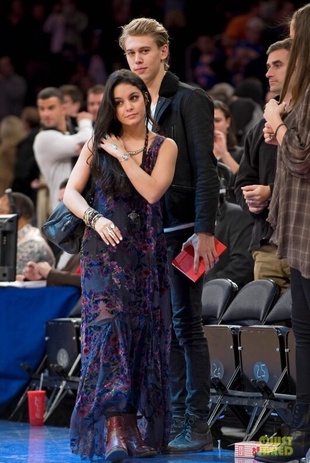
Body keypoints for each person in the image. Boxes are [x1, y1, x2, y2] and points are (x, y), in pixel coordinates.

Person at [63, 69, 178, 461]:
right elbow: (71, 195)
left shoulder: (164, 145)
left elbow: (151, 191)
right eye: (118, 101)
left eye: (134, 98)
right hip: (101, 252)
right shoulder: (98, 142)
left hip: (145, 254)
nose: (127, 107)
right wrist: (95, 218)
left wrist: (124, 155)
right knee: (107, 335)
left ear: (145, 99)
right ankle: (114, 427)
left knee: (141, 335)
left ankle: (132, 428)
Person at [119, 17, 220, 454]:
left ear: (164, 51)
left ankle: (195, 424)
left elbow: (205, 170)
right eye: (131, 53)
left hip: (183, 231)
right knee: (162, 329)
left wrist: (204, 230)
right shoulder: (132, 103)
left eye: (145, 51)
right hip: (148, 233)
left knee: (186, 326)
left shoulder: (189, 99)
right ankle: (169, 418)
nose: (138, 59)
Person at [254, 4, 310, 462]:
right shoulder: (300, 95)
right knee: (304, 335)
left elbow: (302, 157)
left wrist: (278, 121)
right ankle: (302, 433)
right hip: (296, 231)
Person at [234, 38, 292, 294]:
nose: (268, 72)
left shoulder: (303, 119)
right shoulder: (258, 129)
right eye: (268, 65)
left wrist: (270, 192)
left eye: (277, 65)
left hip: (300, 241)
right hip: (265, 245)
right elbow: (241, 183)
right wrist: (252, 199)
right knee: (266, 332)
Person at [33, 86, 93, 212]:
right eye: (41, 109)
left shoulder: (71, 133)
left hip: (87, 205)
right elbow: (88, 140)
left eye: (51, 108)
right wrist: (85, 122)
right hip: (64, 211)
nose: (45, 114)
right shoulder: (44, 138)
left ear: (64, 109)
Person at [204, 171, 254, 289]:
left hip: (225, 294)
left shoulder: (239, 216)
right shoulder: (191, 223)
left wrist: (208, 287)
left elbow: (242, 265)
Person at [0, 190, 55, 276]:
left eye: (1, 211)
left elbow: (7, 276)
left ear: (16, 215)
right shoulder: (9, 238)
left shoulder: (32, 245)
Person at [212, 99, 244, 202]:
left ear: (228, 122)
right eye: (208, 120)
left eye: (217, 120)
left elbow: (244, 181)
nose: (212, 125)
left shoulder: (241, 153)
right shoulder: (196, 153)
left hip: (235, 210)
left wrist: (224, 154)